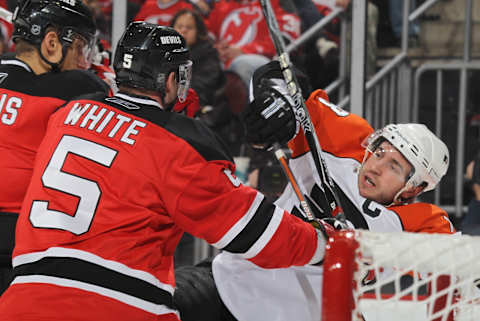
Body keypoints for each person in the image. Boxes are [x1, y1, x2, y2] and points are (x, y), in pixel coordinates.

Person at [0, 22, 335, 320]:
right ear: (174, 78)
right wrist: (322, 242)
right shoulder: (179, 143)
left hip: (23, 299)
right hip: (117, 305)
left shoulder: (68, 113)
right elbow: (252, 231)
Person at [172, 60, 456, 321]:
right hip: (229, 282)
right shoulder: (345, 139)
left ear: (413, 188)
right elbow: (282, 77)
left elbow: (460, 267)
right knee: (150, 302)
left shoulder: (422, 222)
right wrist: (277, 105)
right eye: (380, 151)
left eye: (395, 166)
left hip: (301, 314)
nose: (377, 165)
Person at [0, 0, 109, 296]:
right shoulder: (75, 88)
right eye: (80, 48)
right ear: (51, 42)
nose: (84, 59)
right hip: (23, 243)